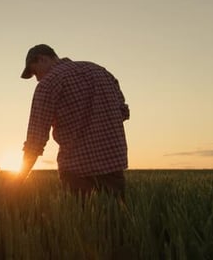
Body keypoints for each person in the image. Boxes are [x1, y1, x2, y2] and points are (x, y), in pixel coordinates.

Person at [16, 44, 129, 201]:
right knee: (114, 221)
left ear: (42, 59)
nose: (37, 79)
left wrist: (18, 181)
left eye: (35, 72)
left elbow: (36, 139)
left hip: (77, 170)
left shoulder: (48, 84)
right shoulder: (99, 71)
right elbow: (122, 112)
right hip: (113, 165)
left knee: (81, 222)